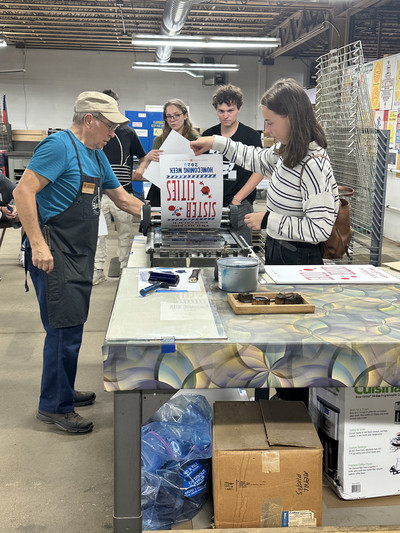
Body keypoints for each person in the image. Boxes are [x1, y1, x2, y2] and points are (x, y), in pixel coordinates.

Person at [191, 78, 339, 405]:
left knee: (295, 346)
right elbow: (254, 158)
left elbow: (319, 229)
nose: (267, 128)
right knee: (276, 338)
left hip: (299, 261)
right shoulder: (287, 153)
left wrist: (268, 220)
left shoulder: (313, 164)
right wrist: (215, 141)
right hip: (278, 253)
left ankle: (293, 409)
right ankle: (273, 405)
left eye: (271, 121)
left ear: (292, 118)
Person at [13, 91, 144, 433]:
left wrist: (174, 212)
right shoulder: (59, 146)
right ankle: (55, 406)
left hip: (79, 253)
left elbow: (123, 200)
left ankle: (63, 390)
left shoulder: (95, 154)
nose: (113, 133)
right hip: (54, 253)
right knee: (63, 330)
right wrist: (38, 245)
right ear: (89, 120)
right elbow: (22, 192)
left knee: (71, 326)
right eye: (110, 126)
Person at [92, 88, 147, 285]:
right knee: (98, 235)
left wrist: (140, 169)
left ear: (117, 106)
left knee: (125, 235)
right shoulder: (92, 135)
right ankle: (97, 269)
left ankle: (125, 269)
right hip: (97, 194)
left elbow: (143, 157)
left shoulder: (128, 133)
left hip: (123, 192)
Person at [202, 84, 264, 245]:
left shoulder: (250, 136)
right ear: (216, 110)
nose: (226, 116)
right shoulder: (208, 135)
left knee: (242, 251)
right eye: (221, 111)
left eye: (230, 110)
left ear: (239, 109)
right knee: (211, 249)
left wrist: (238, 199)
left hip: (240, 203)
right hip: (211, 203)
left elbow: (259, 170)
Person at [145, 99, 199, 207]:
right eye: (169, 116)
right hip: (162, 189)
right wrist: (148, 158)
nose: (172, 120)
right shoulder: (159, 140)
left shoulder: (197, 140)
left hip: (187, 191)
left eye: (176, 115)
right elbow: (153, 169)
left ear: (185, 115)